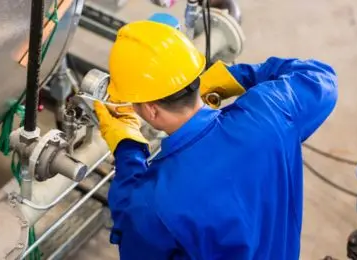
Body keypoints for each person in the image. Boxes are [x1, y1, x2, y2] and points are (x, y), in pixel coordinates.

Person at [93, 20, 338, 260]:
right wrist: (234, 77)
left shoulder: (155, 200)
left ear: (151, 110)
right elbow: (319, 76)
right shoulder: (271, 112)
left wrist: (128, 146)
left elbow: (132, 227)